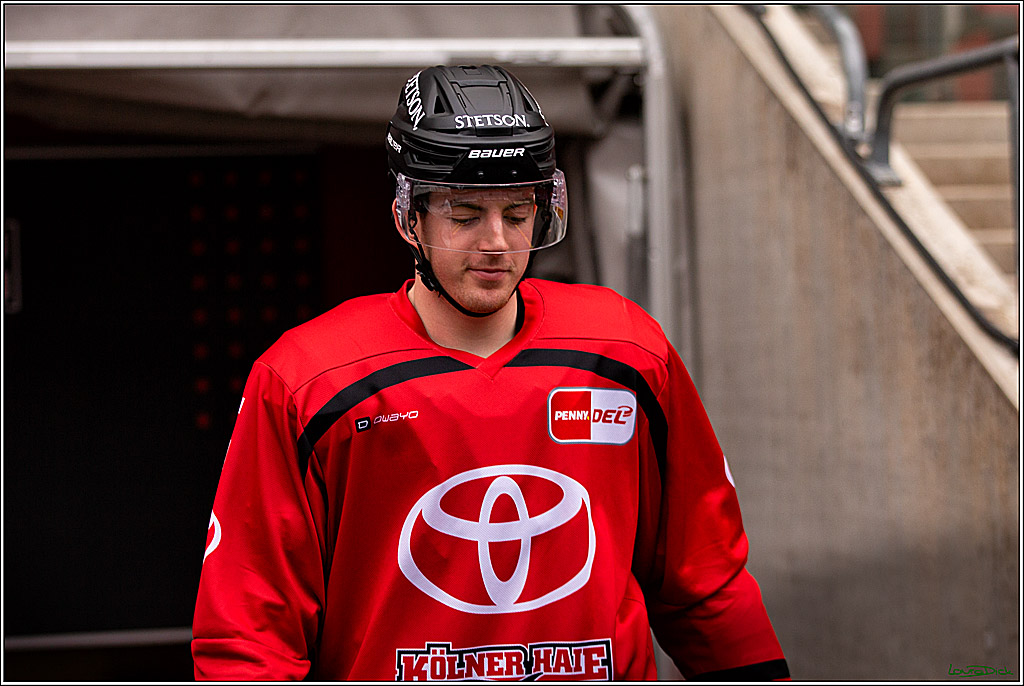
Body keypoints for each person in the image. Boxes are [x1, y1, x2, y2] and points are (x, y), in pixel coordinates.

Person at [192, 64, 789, 681]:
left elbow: (705, 580)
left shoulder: (625, 349)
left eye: (517, 212)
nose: (497, 242)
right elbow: (249, 633)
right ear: (409, 217)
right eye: (465, 213)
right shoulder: (309, 377)